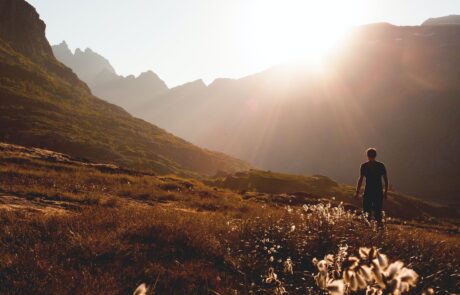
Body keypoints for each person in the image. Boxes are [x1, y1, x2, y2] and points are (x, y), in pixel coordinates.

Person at [355, 148, 388, 228]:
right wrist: (385, 192)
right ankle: (379, 231)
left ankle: (366, 229)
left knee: (367, 211)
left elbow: (360, 180)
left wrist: (357, 192)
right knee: (378, 212)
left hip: (368, 191)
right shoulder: (381, 165)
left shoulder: (364, 166)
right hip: (378, 191)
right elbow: (386, 180)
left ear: (367, 155)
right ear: (375, 155)